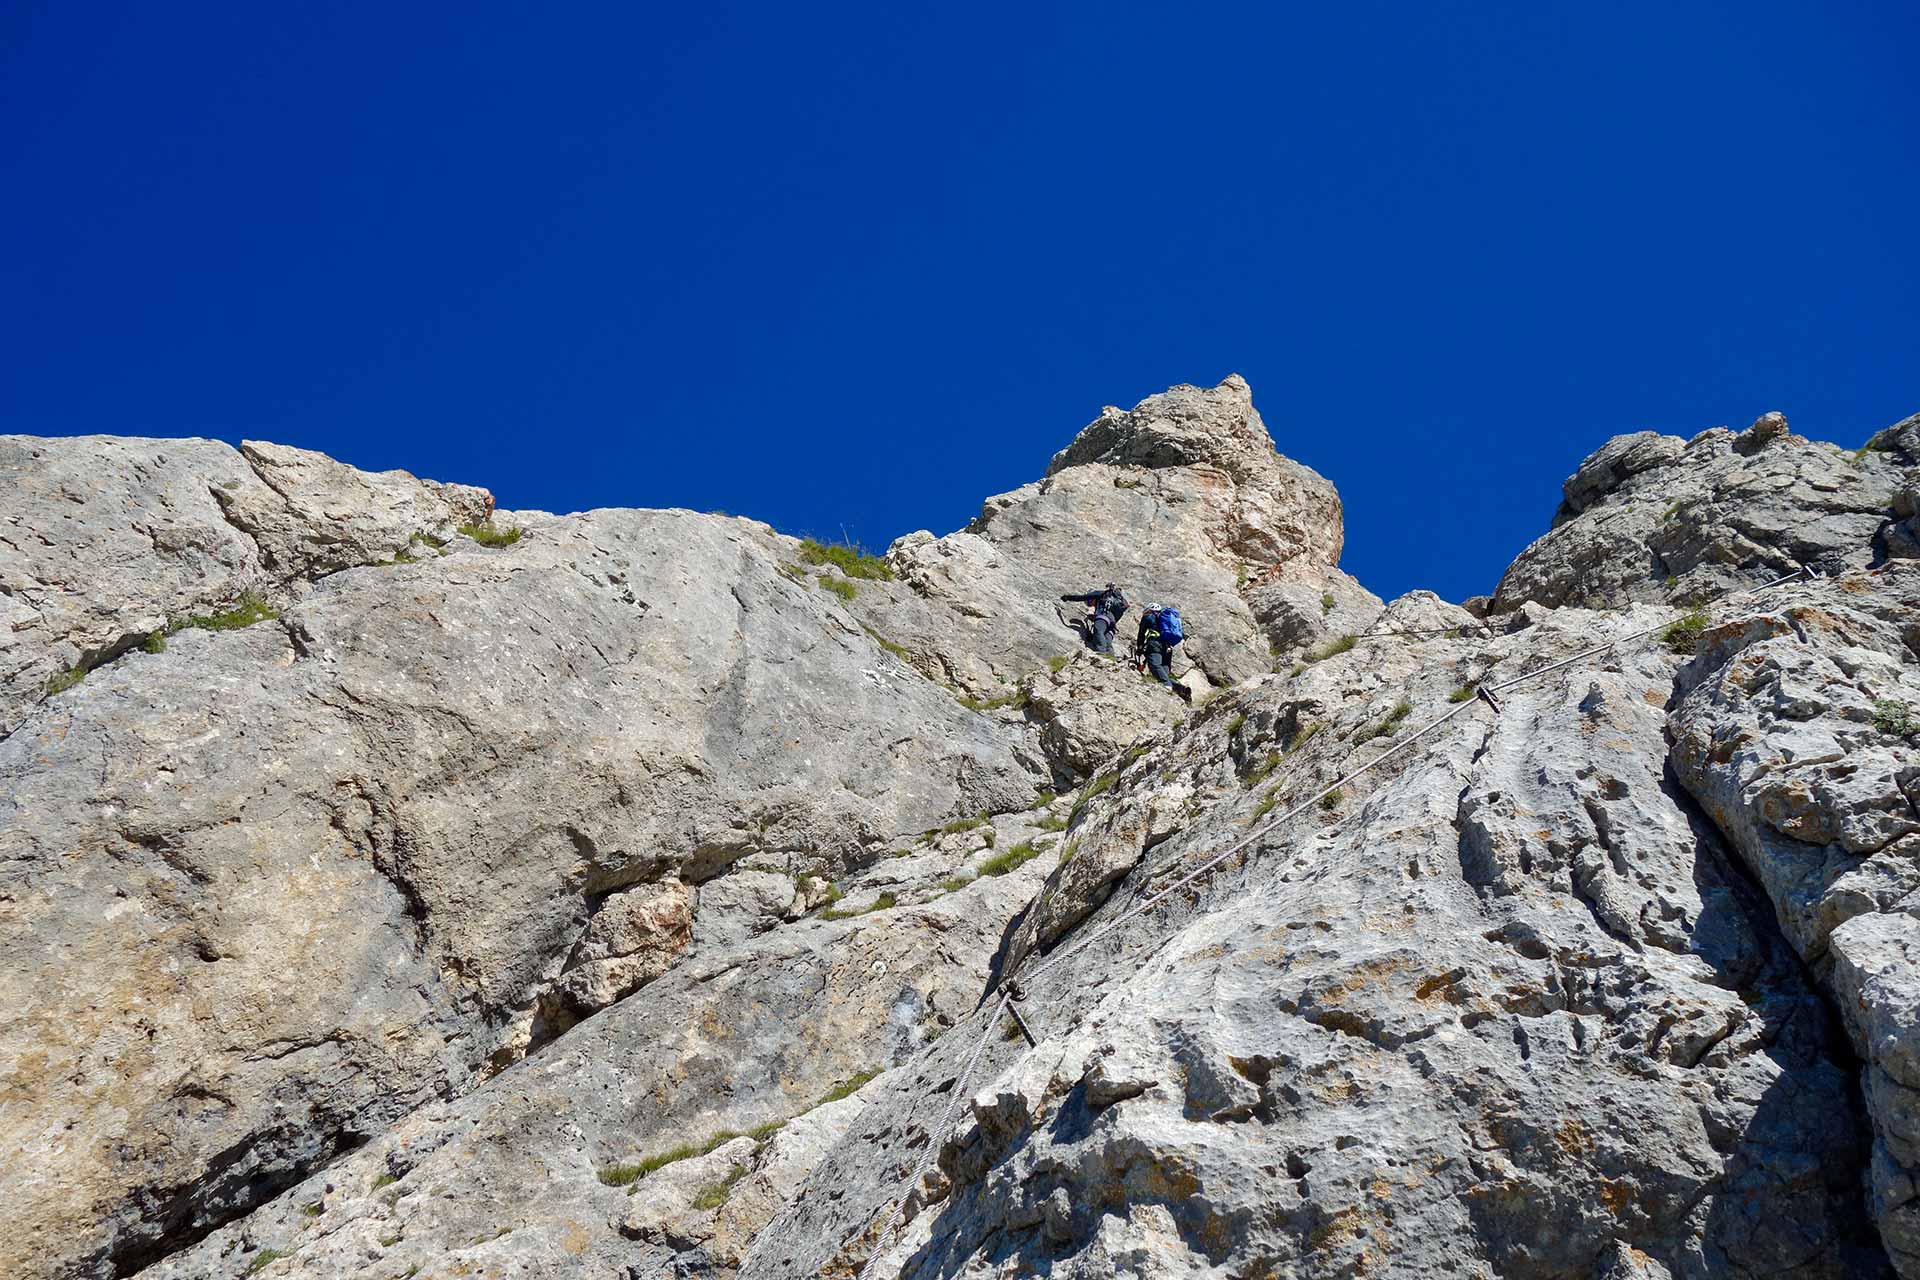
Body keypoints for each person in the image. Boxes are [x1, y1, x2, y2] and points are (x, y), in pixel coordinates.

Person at [1135, 602, 1192, 703]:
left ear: (1149, 610)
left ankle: (1167, 686)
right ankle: (1181, 689)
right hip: (1167, 648)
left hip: (1155, 644)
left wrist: (1139, 647)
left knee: (1154, 666)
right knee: (1163, 673)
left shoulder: (1148, 617)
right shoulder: (1164, 619)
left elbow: (1141, 634)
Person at [1059, 583, 1128, 655]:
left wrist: (1068, 597)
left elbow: (1082, 597)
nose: (1091, 604)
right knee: (1108, 641)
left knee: (1099, 631)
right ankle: (1111, 656)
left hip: (1103, 617)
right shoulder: (1116, 601)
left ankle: (1102, 652)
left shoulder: (1100, 594)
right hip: (1112, 624)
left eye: (1090, 602)